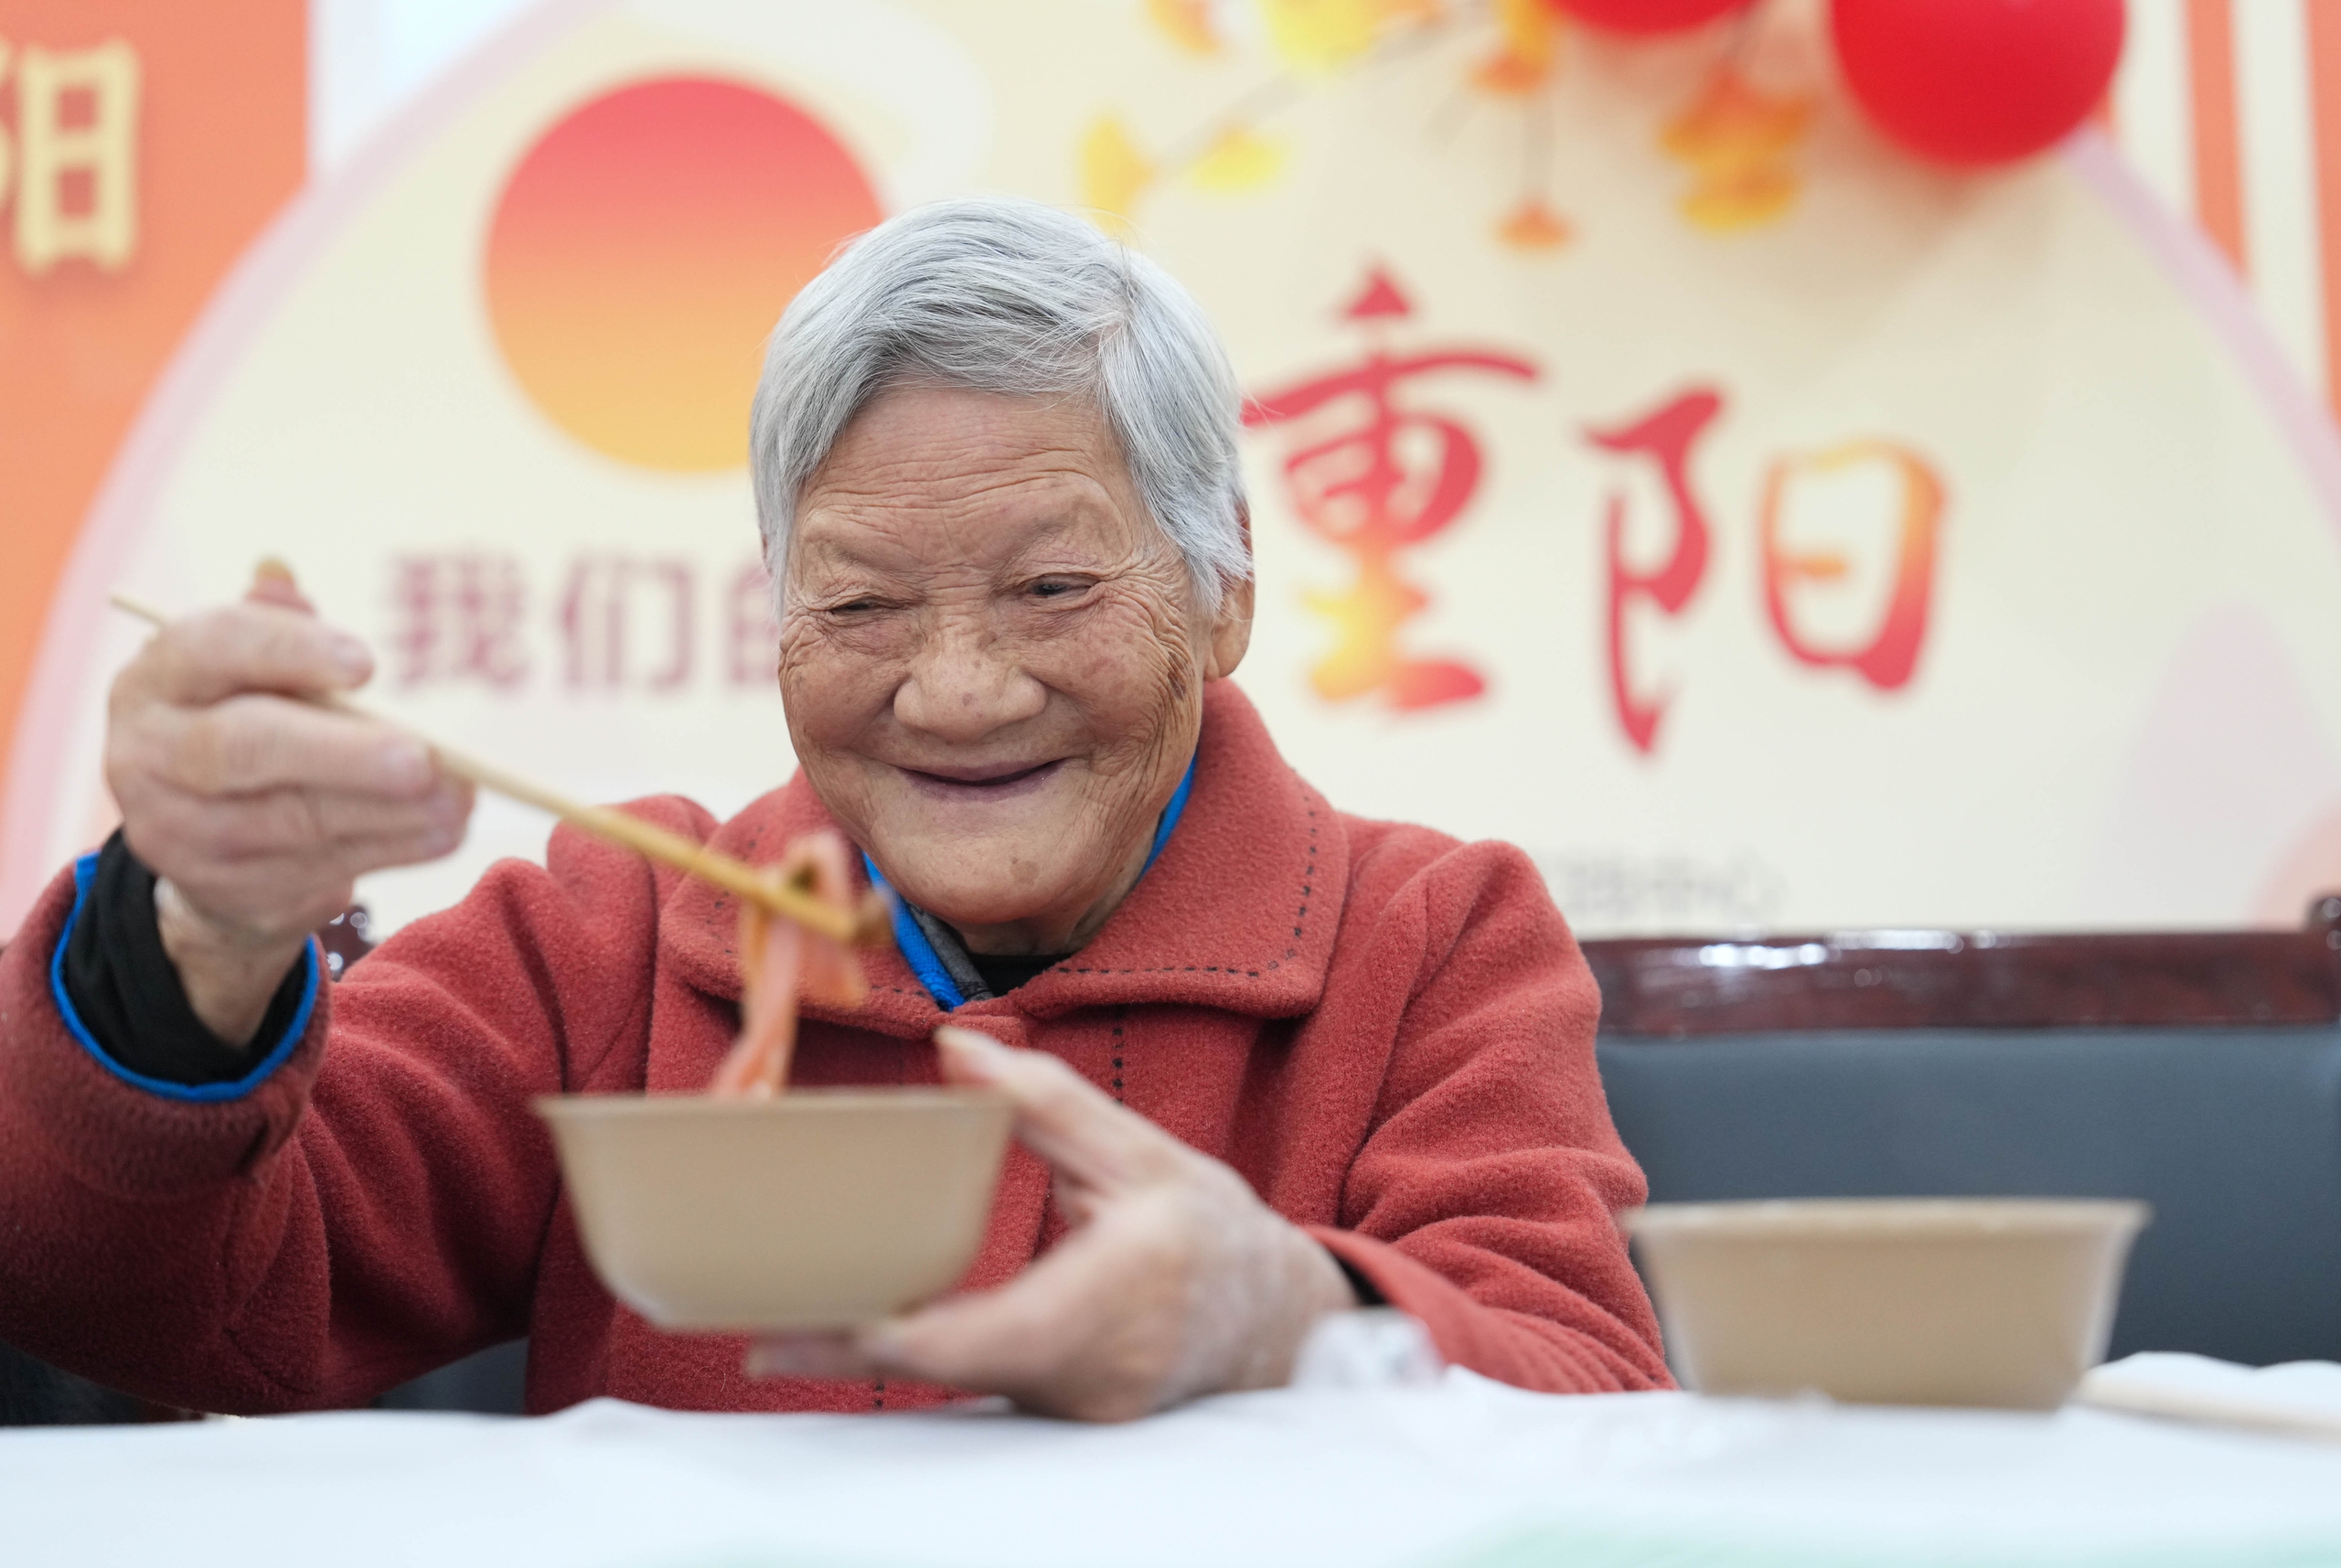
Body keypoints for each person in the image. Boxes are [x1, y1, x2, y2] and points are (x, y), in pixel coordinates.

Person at [0, 197, 1670, 1421]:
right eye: (863, 607)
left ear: (1222, 585)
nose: (954, 692)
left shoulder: (1430, 942)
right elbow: (171, 1308)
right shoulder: (616, 937)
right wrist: (191, 943)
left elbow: (1588, 1388)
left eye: (1050, 587)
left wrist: (1291, 1314)